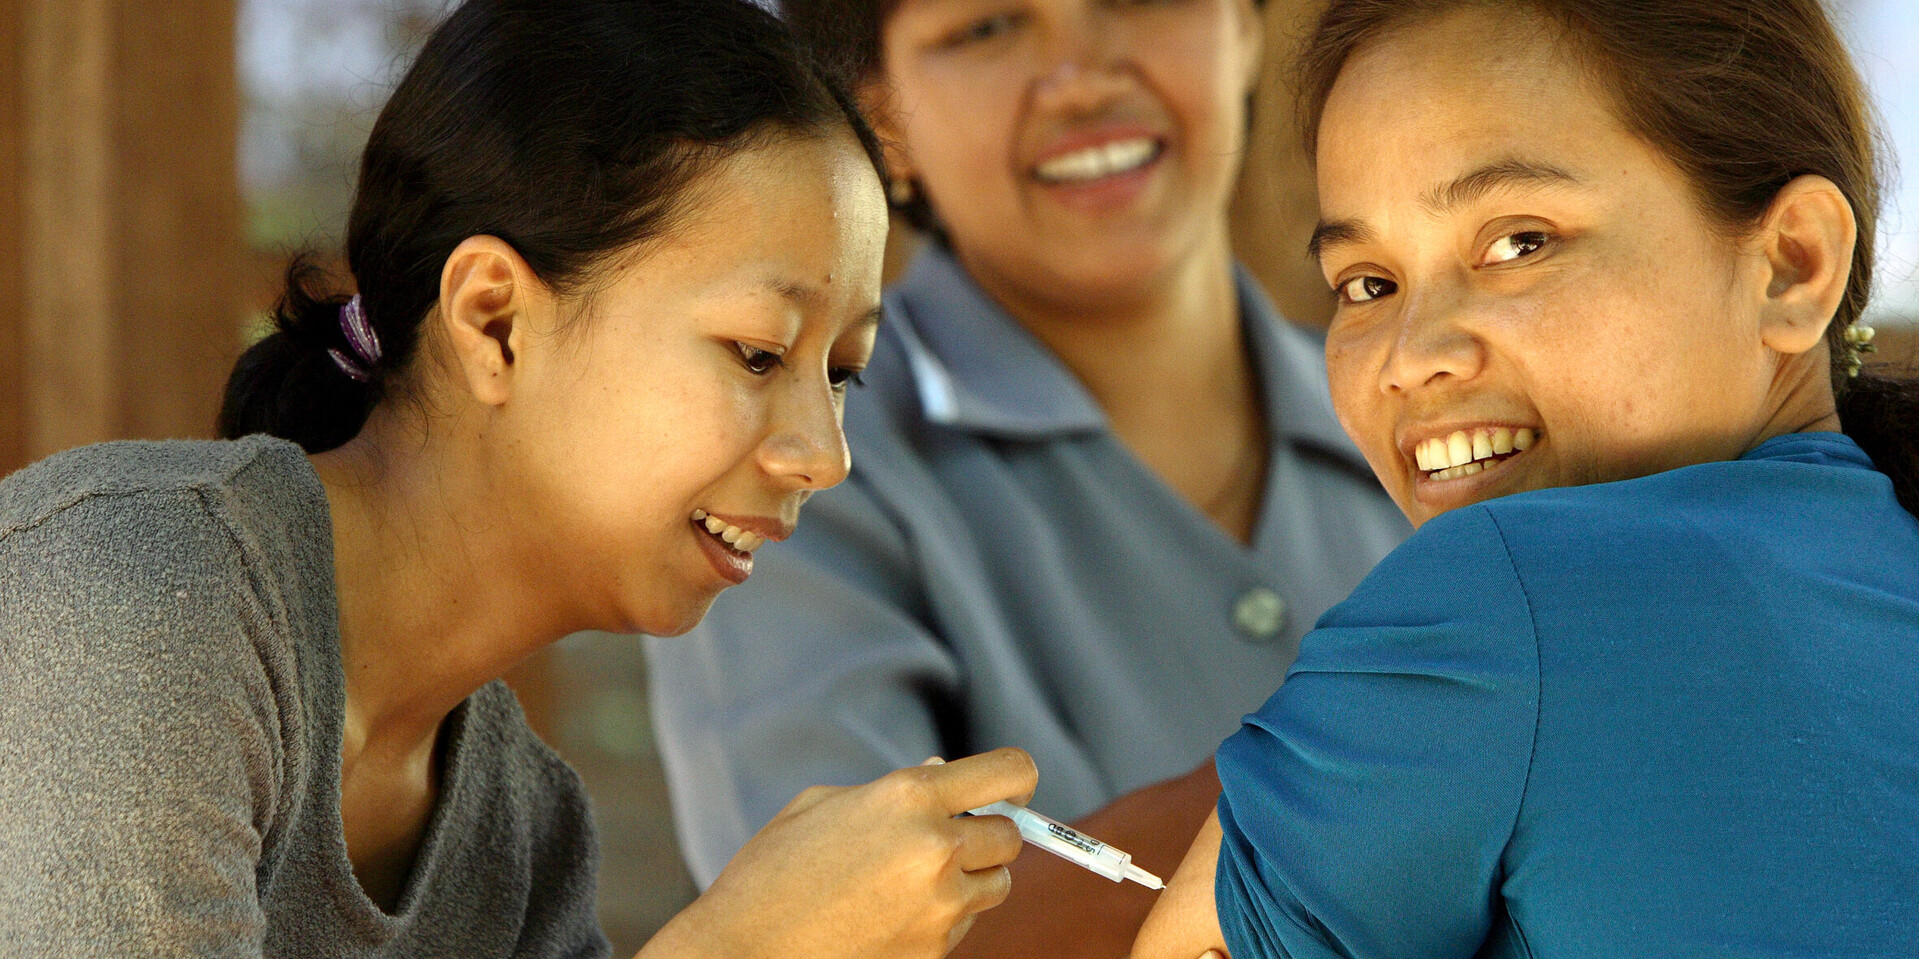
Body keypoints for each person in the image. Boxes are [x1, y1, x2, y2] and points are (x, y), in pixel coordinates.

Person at [0, 1, 1042, 956]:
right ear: (493, 320)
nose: (825, 452)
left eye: (843, 371)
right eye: (758, 353)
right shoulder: (130, 603)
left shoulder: (521, 833)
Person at [1130, 0, 1919, 956]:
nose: (1410, 356)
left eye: (1518, 242)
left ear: (1792, 264)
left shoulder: (1506, 587)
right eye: (1366, 285)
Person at [642, 0, 1408, 955]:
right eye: (986, 27)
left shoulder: (1440, 407)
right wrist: (1411, 746)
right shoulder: (786, 473)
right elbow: (840, 933)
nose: (1082, 77)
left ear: (1248, 28)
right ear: (878, 115)